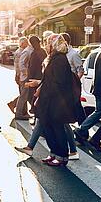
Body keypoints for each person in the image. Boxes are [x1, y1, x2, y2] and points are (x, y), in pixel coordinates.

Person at [34, 34, 78, 167]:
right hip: (49, 99)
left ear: (54, 45)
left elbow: (58, 82)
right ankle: (54, 153)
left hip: (56, 101)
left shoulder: (59, 59)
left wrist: (46, 93)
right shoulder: (53, 58)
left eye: (48, 43)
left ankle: (62, 156)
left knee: (57, 128)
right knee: (48, 128)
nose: (46, 46)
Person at [61, 33, 85, 160]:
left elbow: (80, 70)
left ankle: (83, 133)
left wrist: (74, 81)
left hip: (72, 87)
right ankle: (82, 133)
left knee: (77, 109)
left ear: (65, 41)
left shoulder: (73, 54)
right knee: (74, 110)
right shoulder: (62, 54)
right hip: (65, 88)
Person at [10, 37, 33, 120]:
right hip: (21, 76)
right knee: (23, 95)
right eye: (26, 42)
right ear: (22, 43)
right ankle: (18, 111)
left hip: (20, 76)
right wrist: (22, 74)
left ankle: (24, 112)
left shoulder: (22, 51)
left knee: (24, 94)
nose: (28, 44)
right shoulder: (21, 52)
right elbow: (18, 65)